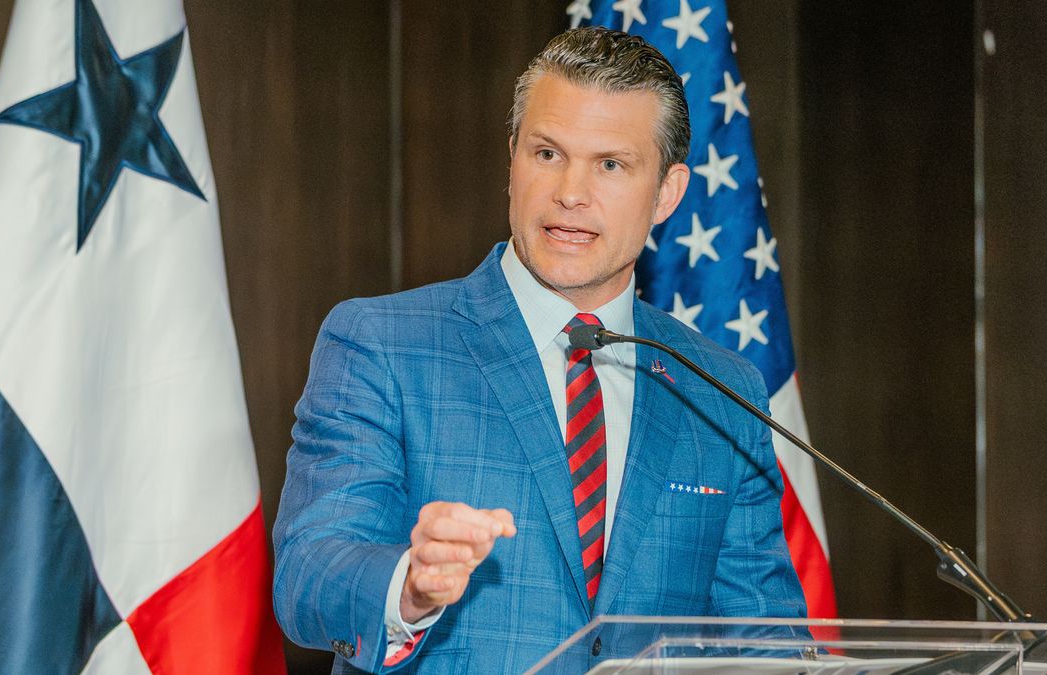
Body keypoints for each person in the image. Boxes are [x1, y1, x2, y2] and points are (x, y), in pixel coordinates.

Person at [273, 27, 806, 673]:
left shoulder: (721, 388)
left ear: (667, 192)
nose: (570, 192)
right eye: (548, 153)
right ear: (513, 159)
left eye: (610, 164)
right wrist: (409, 586)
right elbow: (308, 575)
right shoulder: (382, 343)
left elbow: (765, 638)